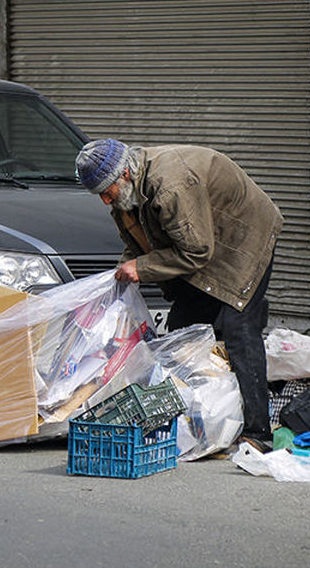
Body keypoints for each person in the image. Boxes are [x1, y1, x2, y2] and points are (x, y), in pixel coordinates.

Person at [75, 138, 282, 451]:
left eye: (107, 192)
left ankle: (258, 432)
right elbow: (138, 243)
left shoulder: (170, 185)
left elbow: (197, 251)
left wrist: (142, 268)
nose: (105, 201)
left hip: (242, 240)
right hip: (203, 242)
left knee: (238, 327)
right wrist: (122, 273)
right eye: (99, 195)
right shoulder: (124, 198)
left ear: (125, 176)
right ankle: (201, 420)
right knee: (183, 329)